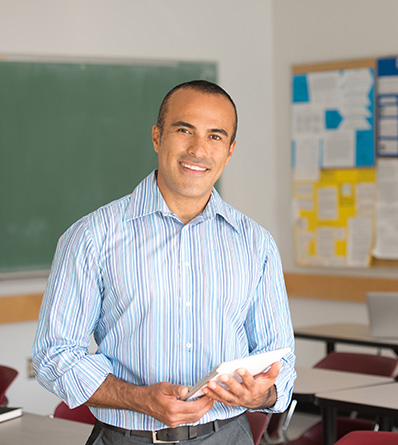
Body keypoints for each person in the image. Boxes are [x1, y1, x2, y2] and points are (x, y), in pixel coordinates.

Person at [33, 80, 296, 444]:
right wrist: (138, 399)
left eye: (215, 136)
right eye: (184, 130)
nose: (198, 149)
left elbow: (280, 362)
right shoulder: (93, 235)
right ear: (157, 137)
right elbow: (54, 354)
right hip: (127, 437)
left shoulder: (256, 244)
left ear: (230, 151)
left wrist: (261, 394)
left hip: (228, 436)